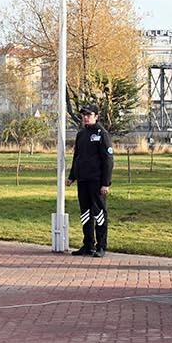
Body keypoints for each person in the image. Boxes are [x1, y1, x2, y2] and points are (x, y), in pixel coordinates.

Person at [66, 103, 113, 257]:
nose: (86, 118)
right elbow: (77, 157)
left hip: (97, 181)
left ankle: (101, 246)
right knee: (85, 213)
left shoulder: (102, 134)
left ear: (96, 116)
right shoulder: (81, 135)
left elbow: (108, 160)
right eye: (84, 115)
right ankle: (88, 244)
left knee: (99, 213)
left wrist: (106, 183)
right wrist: (72, 176)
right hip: (83, 180)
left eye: (89, 115)